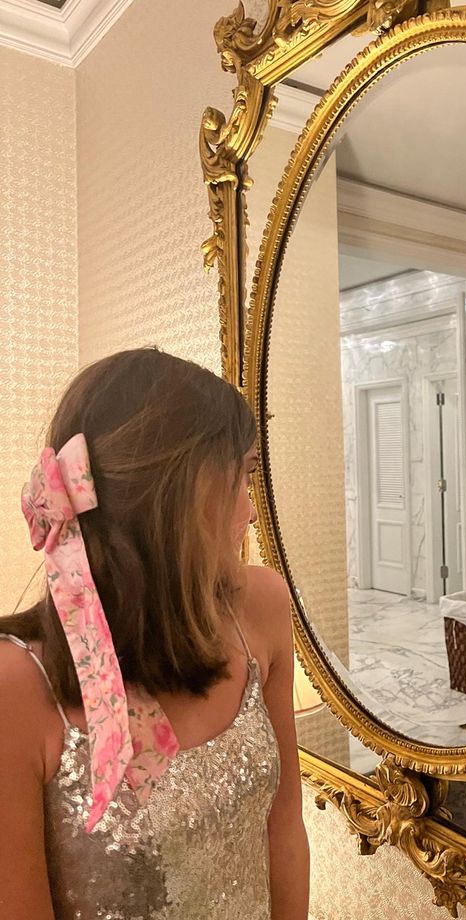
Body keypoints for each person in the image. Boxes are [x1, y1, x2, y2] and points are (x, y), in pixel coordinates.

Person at [0, 348, 309, 920]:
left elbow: (283, 831)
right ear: (175, 498)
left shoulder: (262, 607)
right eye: (241, 476)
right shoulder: (16, 687)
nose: (250, 510)